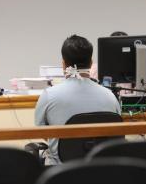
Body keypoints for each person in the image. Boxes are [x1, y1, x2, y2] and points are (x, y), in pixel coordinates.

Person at [35, 35, 121, 165]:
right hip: (102, 170)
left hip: (61, 173)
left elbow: (42, 131)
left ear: (63, 64)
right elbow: (115, 131)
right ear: (91, 63)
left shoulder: (49, 95)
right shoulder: (110, 96)